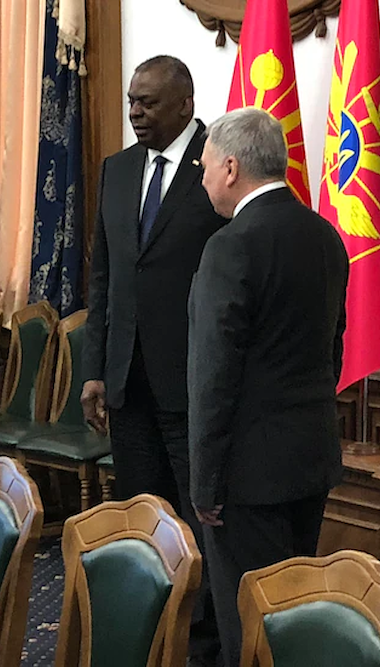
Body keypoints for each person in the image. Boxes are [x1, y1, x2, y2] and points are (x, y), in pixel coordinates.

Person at [188, 108, 349, 667]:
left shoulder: (230, 245)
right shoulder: (326, 235)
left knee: (249, 631)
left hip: (245, 477)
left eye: (205, 165)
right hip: (309, 461)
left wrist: (204, 483)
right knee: (294, 616)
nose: (202, 177)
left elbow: (213, 374)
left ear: (231, 167)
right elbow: (333, 352)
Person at [78, 55, 225, 665]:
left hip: (194, 382)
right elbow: (105, 278)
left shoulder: (220, 164)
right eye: (132, 101)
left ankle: (203, 642)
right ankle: (153, 630)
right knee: (145, 512)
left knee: (201, 518)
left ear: (185, 104)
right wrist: (94, 369)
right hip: (127, 380)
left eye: (148, 103)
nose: (135, 112)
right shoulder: (117, 170)